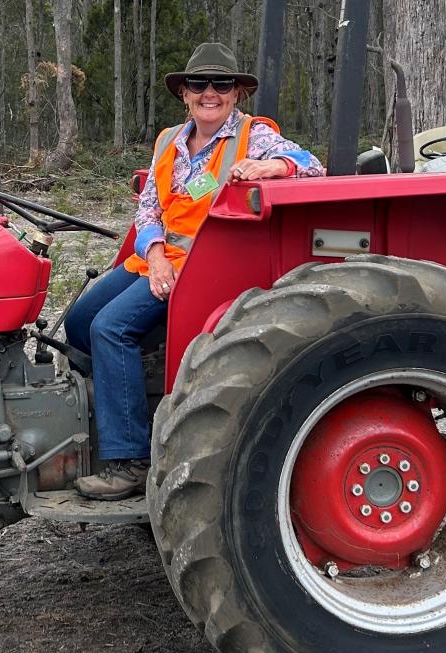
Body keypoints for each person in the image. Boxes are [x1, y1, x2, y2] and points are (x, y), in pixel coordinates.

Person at [66, 42, 325, 501]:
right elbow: (149, 210)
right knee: (80, 320)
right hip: (158, 257)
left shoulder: (251, 136)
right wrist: (156, 255)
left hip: (205, 265)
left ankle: (130, 460)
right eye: (199, 84)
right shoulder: (169, 141)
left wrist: (271, 165)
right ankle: (117, 400)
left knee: (111, 328)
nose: (210, 93)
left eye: (221, 84)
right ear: (184, 93)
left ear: (236, 93)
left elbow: (313, 167)